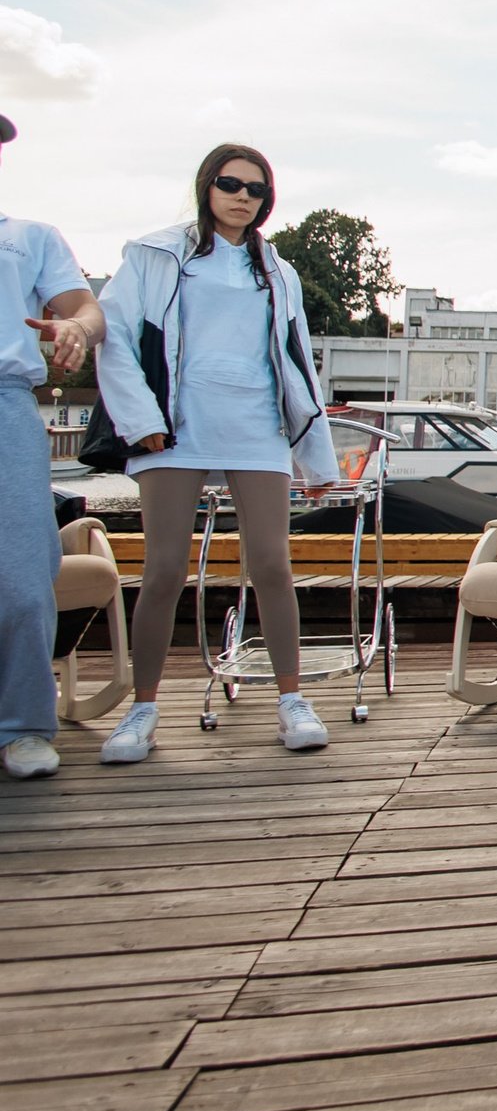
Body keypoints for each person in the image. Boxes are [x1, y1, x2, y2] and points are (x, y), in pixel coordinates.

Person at [94, 144, 339, 763]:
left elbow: (299, 364)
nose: (242, 196)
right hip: (174, 428)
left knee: (274, 565)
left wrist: (317, 461)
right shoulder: (154, 255)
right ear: (207, 186)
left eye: (256, 189)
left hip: (256, 428)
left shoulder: (278, 272)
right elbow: (114, 337)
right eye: (230, 184)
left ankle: (292, 701)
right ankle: (142, 711)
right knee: (164, 570)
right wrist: (141, 419)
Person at [2, 112, 105, 782]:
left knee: (20, 581)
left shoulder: (30, 237)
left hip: (5, 400)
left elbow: (86, 309)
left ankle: (21, 724)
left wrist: (76, 328)